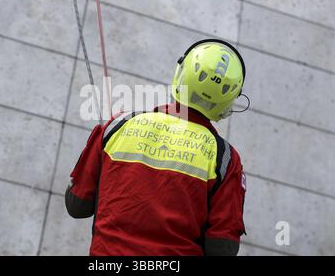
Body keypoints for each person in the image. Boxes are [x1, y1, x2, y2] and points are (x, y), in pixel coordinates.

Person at [65, 39, 247, 256]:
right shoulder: (225, 160)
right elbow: (222, 249)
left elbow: (77, 206)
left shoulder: (118, 125)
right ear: (229, 100)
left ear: (181, 73)